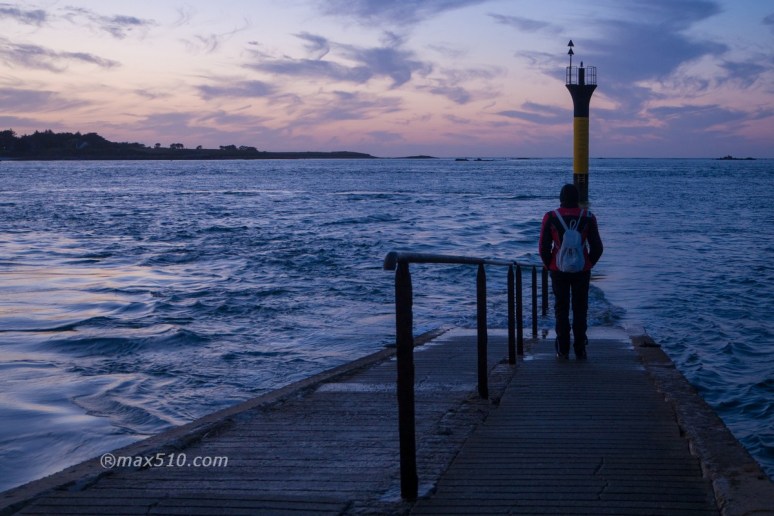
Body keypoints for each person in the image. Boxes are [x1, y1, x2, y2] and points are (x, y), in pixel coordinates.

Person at [539, 184, 603, 359]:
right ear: (578, 199)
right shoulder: (588, 217)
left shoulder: (551, 217)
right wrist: (588, 263)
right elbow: (597, 247)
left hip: (557, 269)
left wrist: (549, 264)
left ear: (561, 198)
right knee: (580, 308)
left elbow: (543, 247)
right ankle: (580, 347)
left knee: (561, 308)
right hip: (582, 270)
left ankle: (563, 348)